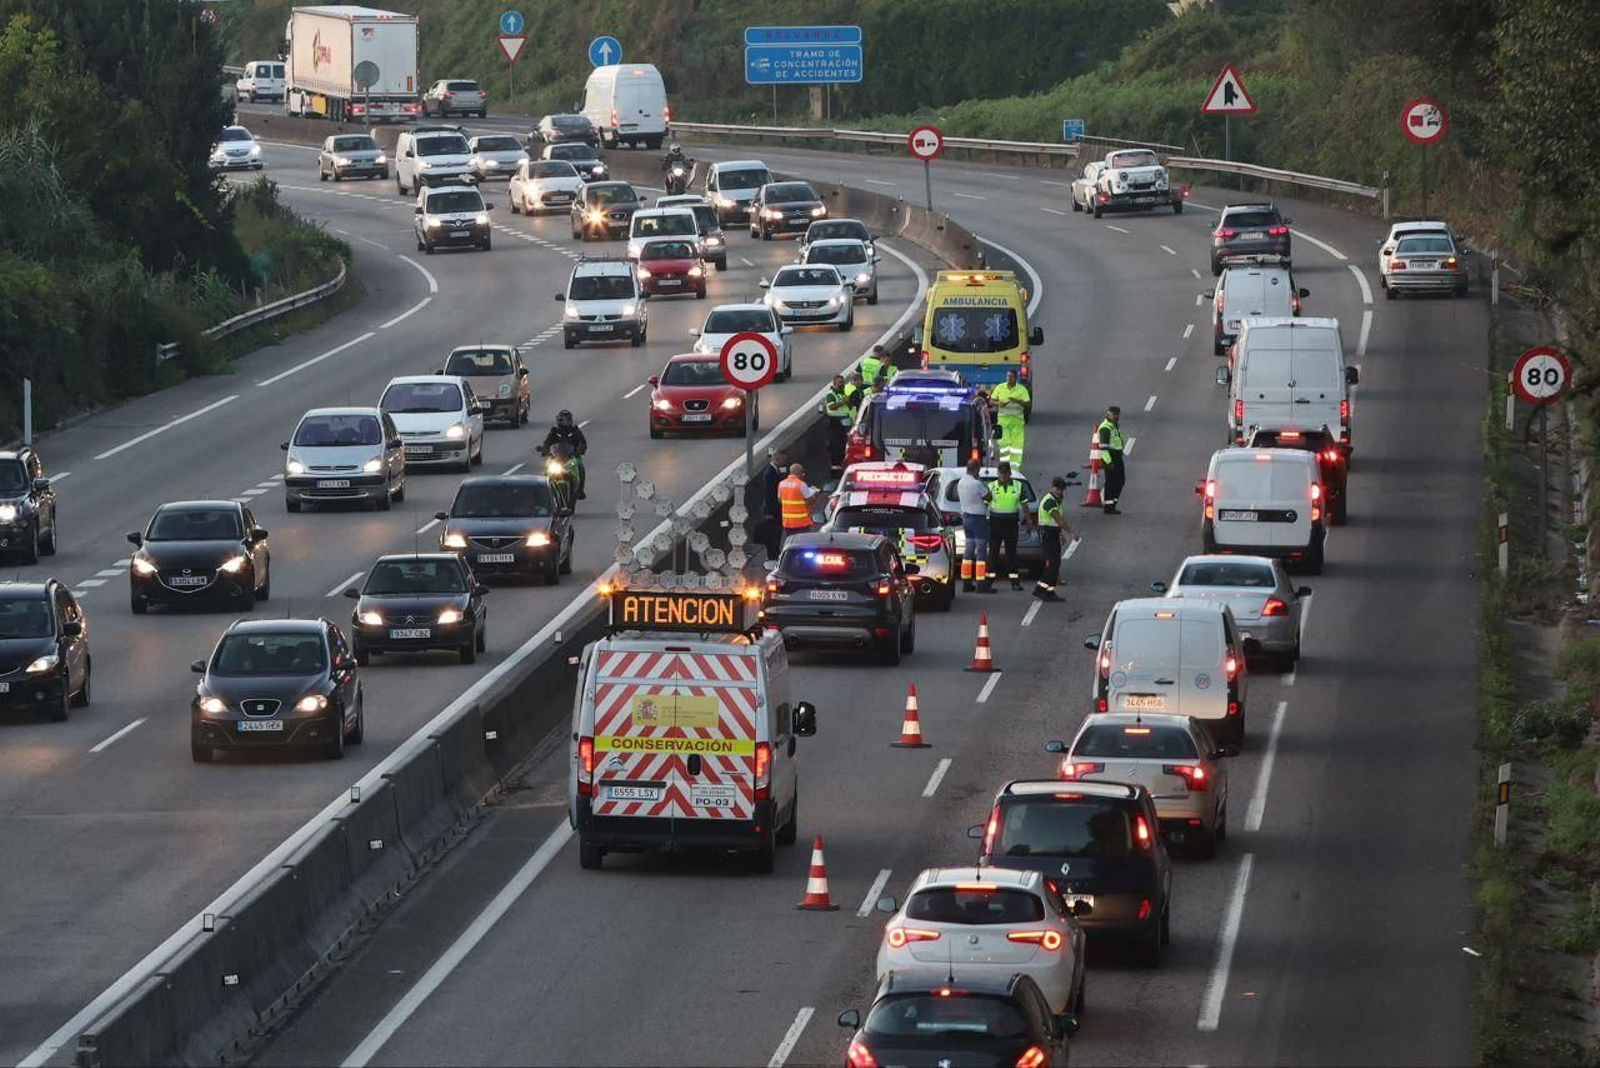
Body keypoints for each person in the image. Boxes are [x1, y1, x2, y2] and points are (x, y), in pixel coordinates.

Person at [1033, 476, 1080, 601]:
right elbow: (1058, 519)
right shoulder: (1049, 501)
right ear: (1052, 487)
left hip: (1052, 534)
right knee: (1053, 563)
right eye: (1058, 489)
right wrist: (1071, 533)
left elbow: (1054, 522)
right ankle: (1040, 589)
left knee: (1056, 563)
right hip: (1047, 535)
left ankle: (1050, 591)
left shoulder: (1056, 500)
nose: (1060, 491)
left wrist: (1060, 534)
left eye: (1062, 489)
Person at [955, 459, 993, 593]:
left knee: (969, 550)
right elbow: (989, 496)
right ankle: (981, 584)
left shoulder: (961, 482)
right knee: (981, 551)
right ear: (976, 470)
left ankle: (966, 582)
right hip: (978, 519)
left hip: (966, 518)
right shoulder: (977, 484)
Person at [988, 461, 1025, 590]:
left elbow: (1025, 504)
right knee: (993, 553)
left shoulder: (1018, 485)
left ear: (1010, 473)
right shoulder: (991, 486)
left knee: (1011, 554)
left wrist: (1030, 520)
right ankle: (988, 582)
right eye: (1001, 473)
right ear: (998, 473)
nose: (1003, 476)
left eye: (1005, 473)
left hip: (1011, 523)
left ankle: (1015, 582)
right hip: (996, 522)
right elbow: (984, 503)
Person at [540, 409, 588, 498]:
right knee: (546, 468)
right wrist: (545, 450)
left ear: (570, 420)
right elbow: (547, 442)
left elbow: (583, 443)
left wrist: (579, 451)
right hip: (557, 457)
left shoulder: (575, 431)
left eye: (563, 420)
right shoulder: (555, 432)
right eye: (560, 420)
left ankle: (580, 490)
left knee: (580, 466)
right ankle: (544, 490)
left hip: (571, 457)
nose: (561, 422)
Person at [990, 370, 1031, 468]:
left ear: (1016, 378)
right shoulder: (1000, 387)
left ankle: (1015, 470)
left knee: (1016, 447)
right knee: (1004, 445)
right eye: (1007, 376)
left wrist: (1018, 401)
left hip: (1017, 422)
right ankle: (1004, 467)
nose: (1009, 378)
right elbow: (991, 401)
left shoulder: (1022, 389)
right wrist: (999, 403)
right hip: (1003, 422)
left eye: (1011, 377)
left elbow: (1028, 404)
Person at [755, 449, 788, 561]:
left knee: (776, 533)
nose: (784, 463)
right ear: (777, 459)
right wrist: (769, 511)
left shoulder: (774, 471)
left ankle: (775, 552)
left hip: (774, 509)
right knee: (773, 533)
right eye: (783, 460)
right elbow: (769, 494)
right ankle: (772, 555)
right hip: (772, 511)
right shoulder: (770, 474)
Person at [777, 463, 819, 541]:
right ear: (800, 473)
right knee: (802, 544)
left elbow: (780, 500)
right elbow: (810, 500)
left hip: (788, 522)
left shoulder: (781, 484)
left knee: (791, 543)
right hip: (801, 522)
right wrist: (815, 493)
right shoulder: (801, 484)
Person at [1097, 405, 1126, 515]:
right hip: (1111, 458)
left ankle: (1112, 504)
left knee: (1120, 481)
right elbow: (1103, 448)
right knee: (1111, 483)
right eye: (1115, 415)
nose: (1117, 417)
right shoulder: (1105, 428)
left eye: (1118, 415)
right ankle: (1109, 506)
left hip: (1116, 457)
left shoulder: (1113, 425)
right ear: (1109, 414)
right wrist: (1109, 462)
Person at [821, 374, 852, 471]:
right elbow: (831, 407)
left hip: (845, 423)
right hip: (835, 424)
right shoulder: (831, 394)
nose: (842, 384)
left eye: (843, 382)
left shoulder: (842, 393)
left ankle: (843, 466)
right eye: (840, 382)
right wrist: (843, 402)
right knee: (836, 447)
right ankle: (836, 470)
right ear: (834, 383)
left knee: (844, 446)